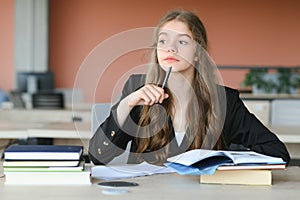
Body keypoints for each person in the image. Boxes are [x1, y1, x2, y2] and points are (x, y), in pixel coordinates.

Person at [88, 10, 290, 165]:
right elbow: (97, 156)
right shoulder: (137, 89)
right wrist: (128, 104)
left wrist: (224, 162)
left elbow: (277, 153)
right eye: (163, 41)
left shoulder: (224, 100)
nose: (171, 48)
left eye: (182, 41)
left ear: (198, 53)